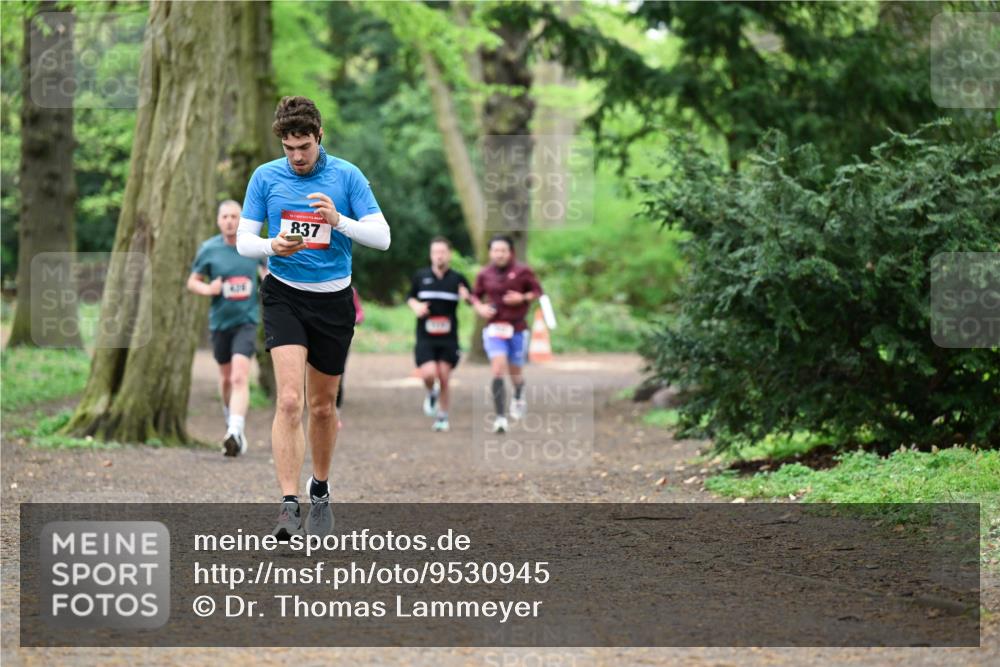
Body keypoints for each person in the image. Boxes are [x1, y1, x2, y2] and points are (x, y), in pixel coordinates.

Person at [236, 96, 390, 540]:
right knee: (289, 400)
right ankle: (288, 505)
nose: (297, 157)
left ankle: (319, 490)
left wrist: (339, 220)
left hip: (333, 301)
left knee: (323, 407)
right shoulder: (265, 177)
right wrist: (271, 246)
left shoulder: (346, 175)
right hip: (284, 294)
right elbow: (245, 240)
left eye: (304, 146)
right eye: (289, 148)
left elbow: (382, 237)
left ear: (319, 137)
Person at [187, 200, 265, 457]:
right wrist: (209, 289)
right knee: (225, 379)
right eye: (225, 217)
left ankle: (235, 430)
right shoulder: (209, 249)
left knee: (239, 376)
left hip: (246, 321)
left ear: (241, 220)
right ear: (219, 220)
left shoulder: (253, 247)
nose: (230, 221)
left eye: (235, 216)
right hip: (220, 322)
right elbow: (193, 282)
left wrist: (268, 281)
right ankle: (230, 417)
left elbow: (268, 274)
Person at [470, 235, 543, 434]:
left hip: (517, 329)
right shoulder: (484, 273)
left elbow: (537, 292)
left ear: (510, 252)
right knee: (497, 369)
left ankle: (519, 394)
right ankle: (500, 418)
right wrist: (480, 308)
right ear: (490, 252)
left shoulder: (523, 271)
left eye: (503, 250)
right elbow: (474, 295)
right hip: (494, 329)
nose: (499, 254)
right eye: (495, 250)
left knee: (515, 373)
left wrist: (522, 297)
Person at [406, 236, 471, 433]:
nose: (439, 256)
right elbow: (410, 297)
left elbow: (471, 298)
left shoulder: (458, 279)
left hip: (448, 337)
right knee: (428, 374)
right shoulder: (421, 277)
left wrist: (466, 296)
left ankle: (442, 417)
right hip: (425, 336)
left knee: (443, 375)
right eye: (435, 252)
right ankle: (431, 393)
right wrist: (416, 306)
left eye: (442, 252)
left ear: (449, 255)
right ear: (431, 255)